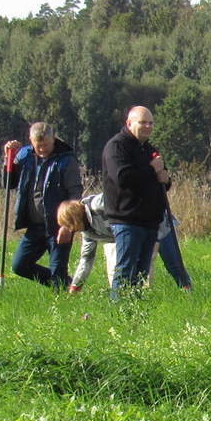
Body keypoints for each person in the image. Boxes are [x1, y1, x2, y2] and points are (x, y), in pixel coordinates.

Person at [3, 122, 82, 289]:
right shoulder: (24, 155)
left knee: (57, 273)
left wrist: (68, 225)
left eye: (46, 145)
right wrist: (8, 159)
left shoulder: (67, 159)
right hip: (35, 226)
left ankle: (62, 293)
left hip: (59, 226)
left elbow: (75, 193)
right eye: (38, 146)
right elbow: (9, 183)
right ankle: (67, 284)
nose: (42, 149)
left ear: (53, 138)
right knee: (19, 266)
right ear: (31, 140)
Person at [101, 106, 170, 297]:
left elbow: (160, 182)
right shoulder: (117, 147)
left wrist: (165, 179)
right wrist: (151, 169)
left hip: (150, 222)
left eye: (150, 122)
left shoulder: (150, 150)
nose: (148, 126)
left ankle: (135, 313)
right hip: (127, 220)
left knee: (141, 275)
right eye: (143, 122)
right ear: (129, 123)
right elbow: (123, 178)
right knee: (125, 272)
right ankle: (118, 314)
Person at [56, 195, 191, 292]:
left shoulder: (97, 204)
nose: (70, 230)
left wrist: (155, 241)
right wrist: (74, 288)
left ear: (75, 218)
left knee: (172, 263)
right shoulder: (88, 233)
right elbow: (86, 261)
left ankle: (187, 292)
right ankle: (133, 297)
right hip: (138, 234)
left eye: (68, 225)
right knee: (133, 268)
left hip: (158, 220)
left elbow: (126, 199)